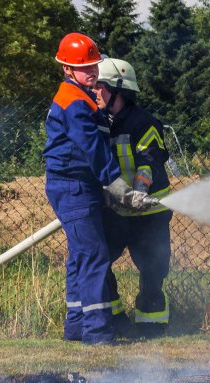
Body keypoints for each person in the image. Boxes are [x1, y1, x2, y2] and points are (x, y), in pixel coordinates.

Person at [43, 34, 156, 344]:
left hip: (79, 184)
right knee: (94, 255)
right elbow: (92, 147)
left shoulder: (79, 96)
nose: (91, 72)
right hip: (73, 185)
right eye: (84, 68)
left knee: (81, 257)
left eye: (94, 66)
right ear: (67, 68)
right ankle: (96, 332)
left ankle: (77, 326)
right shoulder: (74, 101)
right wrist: (116, 184)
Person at [94, 58, 174, 339]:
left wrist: (139, 192)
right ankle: (116, 319)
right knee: (98, 262)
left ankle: (151, 326)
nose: (94, 92)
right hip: (116, 212)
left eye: (99, 87)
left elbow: (149, 160)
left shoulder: (143, 122)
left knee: (153, 271)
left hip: (148, 213)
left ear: (119, 89)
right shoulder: (99, 123)